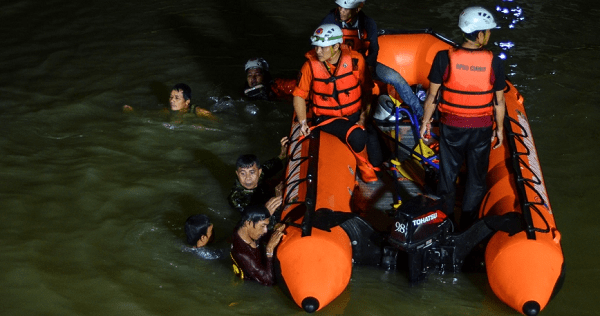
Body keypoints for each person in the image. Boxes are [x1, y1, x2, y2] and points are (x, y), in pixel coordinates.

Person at [419, 6, 506, 230]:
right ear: (479, 35)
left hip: (451, 127)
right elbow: (499, 101)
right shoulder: (494, 61)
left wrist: (425, 122)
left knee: (448, 175)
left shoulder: (443, 58)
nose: (489, 35)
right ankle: (467, 225)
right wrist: (500, 129)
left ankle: (445, 222)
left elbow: (432, 96)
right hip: (481, 129)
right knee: (476, 179)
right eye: (487, 32)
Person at [292, 24, 381, 182]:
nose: (318, 51)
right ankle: (363, 167)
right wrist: (303, 121)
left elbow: (367, 90)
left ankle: (373, 162)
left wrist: (363, 117)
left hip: (354, 113)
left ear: (336, 46)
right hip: (326, 118)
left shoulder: (356, 60)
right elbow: (299, 94)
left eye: (322, 48)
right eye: (316, 47)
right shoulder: (309, 66)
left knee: (378, 154)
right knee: (358, 136)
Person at [320, 0, 424, 118]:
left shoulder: (368, 23)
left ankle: (420, 113)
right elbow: (320, 46)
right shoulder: (330, 20)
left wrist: (369, 67)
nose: (341, 11)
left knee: (396, 78)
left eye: (345, 9)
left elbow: (374, 48)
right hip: (337, 65)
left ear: (357, 9)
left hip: (362, 64)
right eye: (339, 8)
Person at [228, 137, 288, 214]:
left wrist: (282, 156)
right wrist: (278, 198)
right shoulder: (236, 199)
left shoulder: (261, 174)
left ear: (259, 172)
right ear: (237, 174)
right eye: (243, 173)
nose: (248, 178)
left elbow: (268, 166)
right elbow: (251, 218)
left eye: (252, 172)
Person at [230, 205, 285, 286]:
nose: (265, 230)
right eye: (262, 226)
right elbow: (268, 281)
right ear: (248, 223)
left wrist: (274, 230)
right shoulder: (244, 254)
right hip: (250, 284)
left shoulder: (241, 228)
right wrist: (269, 251)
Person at [123, 83, 216, 120]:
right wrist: (133, 112)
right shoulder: (167, 110)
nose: (172, 100)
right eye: (171, 97)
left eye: (177, 98)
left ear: (187, 102)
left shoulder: (199, 111)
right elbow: (148, 115)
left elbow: (218, 124)